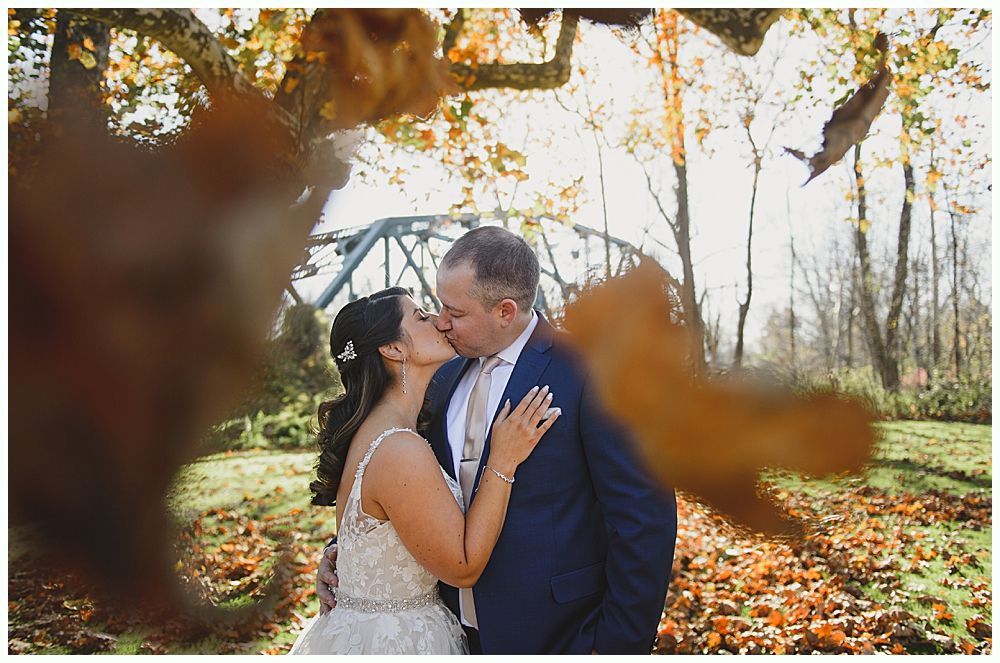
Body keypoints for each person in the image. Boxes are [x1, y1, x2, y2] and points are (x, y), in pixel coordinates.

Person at [316, 227, 678, 654]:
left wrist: (617, 645)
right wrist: (350, 554)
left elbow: (644, 518)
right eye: (436, 307)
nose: (442, 322)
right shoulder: (439, 378)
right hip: (447, 634)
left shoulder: (592, 372)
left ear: (505, 311)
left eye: (455, 311)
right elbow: (397, 490)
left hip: (558, 636)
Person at [289, 286, 561, 654]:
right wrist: (502, 460)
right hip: (399, 642)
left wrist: (345, 555)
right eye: (420, 316)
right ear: (394, 349)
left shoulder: (387, 427)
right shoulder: (399, 447)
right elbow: (462, 567)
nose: (439, 320)